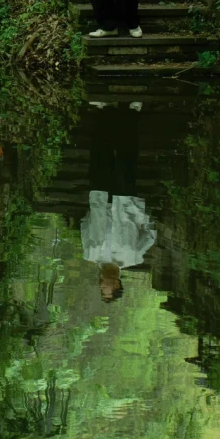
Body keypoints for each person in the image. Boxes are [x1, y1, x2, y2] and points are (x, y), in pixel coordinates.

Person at [80, 102, 156, 301]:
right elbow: (150, 234)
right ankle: (131, 113)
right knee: (125, 159)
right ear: (117, 284)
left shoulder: (90, 254)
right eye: (105, 288)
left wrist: (93, 212)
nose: (100, 285)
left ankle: (103, 113)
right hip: (125, 202)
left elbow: (84, 226)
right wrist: (139, 214)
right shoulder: (133, 258)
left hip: (101, 201)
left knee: (100, 157)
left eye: (101, 288)